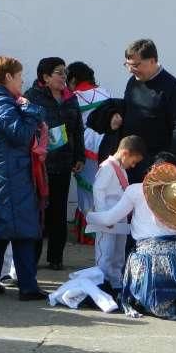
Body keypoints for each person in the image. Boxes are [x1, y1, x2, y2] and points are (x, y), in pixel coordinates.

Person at [86, 156, 176, 320]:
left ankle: (152, 299)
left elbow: (110, 219)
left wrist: (89, 216)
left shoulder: (136, 190)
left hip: (149, 257)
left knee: (137, 257)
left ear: (151, 170)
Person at [0, 56, 47, 300]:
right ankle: (27, 286)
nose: (22, 80)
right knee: (24, 232)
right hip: (10, 177)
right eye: (19, 76)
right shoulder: (2, 104)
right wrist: (31, 111)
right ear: (7, 77)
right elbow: (22, 135)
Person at [24, 57, 85, 270]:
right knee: (37, 211)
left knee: (58, 212)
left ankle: (55, 257)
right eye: (59, 72)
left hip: (63, 163)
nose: (64, 77)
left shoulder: (70, 98)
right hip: (39, 165)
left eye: (65, 73)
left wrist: (79, 156)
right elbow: (26, 128)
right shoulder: (32, 97)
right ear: (46, 77)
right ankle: (31, 257)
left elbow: (78, 129)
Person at [121, 39, 176, 183]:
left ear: (152, 61)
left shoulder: (173, 87)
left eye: (135, 65)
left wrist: (167, 161)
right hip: (129, 159)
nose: (130, 70)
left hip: (154, 164)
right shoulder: (133, 81)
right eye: (127, 65)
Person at [90, 135, 146, 290]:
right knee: (105, 254)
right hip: (107, 219)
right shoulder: (108, 167)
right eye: (133, 161)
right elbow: (98, 189)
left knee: (118, 255)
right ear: (125, 153)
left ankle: (116, 284)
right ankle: (101, 285)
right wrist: (103, 217)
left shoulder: (121, 168)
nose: (133, 166)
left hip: (119, 219)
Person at [67, 61, 112, 246]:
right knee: (103, 189)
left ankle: (88, 234)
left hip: (84, 147)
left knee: (86, 191)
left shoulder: (73, 97)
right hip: (106, 146)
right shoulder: (106, 92)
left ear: (74, 78)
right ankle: (104, 233)